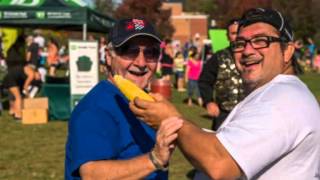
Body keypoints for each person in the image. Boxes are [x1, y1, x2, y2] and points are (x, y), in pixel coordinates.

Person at [130, 8, 320, 179]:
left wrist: (170, 119)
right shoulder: (275, 94)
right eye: (240, 43)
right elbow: (224, 145)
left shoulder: (283, 100)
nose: (246, 51)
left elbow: (220, 164)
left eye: (261, 41)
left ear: (287, 51)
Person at [65, 18, 181, 180]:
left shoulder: (144, 101)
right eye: (129, 50)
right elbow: (92, 174)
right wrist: (154, 159)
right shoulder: (95, 108)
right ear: (109, 56)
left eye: (151, 53)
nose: (141, 62)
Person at [198, 19, 244, 130]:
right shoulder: (218, 57)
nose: (237, 36)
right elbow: (204, 81)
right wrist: (209, 102)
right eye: (233, 33)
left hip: (249, 115)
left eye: (239, 33)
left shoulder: (255, 57)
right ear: (227, 36)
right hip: (224, 114)